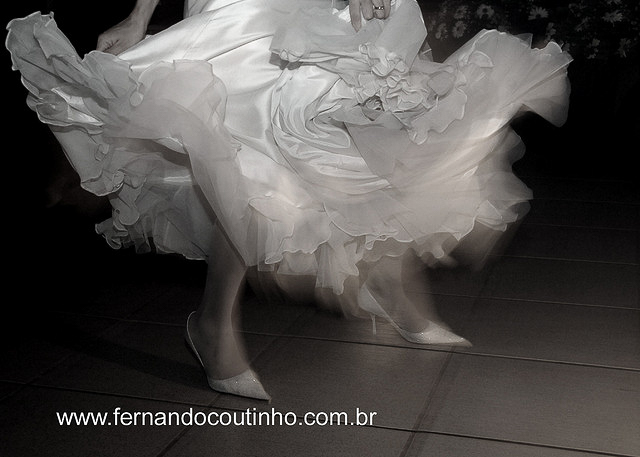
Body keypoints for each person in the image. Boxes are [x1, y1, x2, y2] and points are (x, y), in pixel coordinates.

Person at [6, 0, 571, 401]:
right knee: (246, 157)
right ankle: (214, 324)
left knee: (373, 140)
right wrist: (139, 14)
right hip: (246, 14)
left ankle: (392, 286)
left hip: (341, 8)